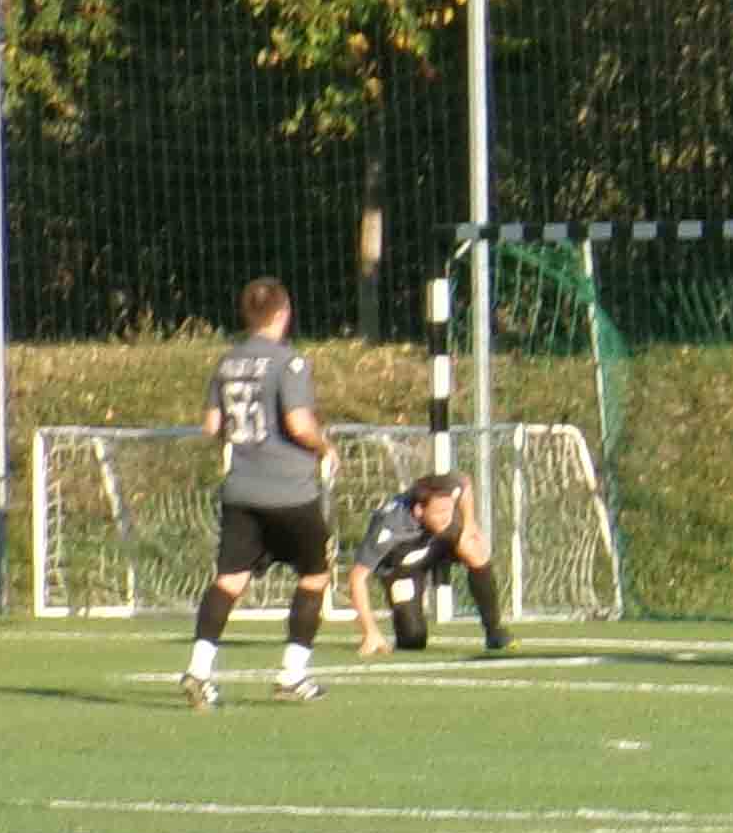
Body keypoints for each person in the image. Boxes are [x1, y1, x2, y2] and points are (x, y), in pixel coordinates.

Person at [186, 276, 331, 708]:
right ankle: (292, 675)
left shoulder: (227, 362)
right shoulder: (290, 362)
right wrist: (325, 446)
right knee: (315, 575)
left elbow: (212, 426)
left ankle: (198, 670)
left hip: (241, 490)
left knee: (229, 580)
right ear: (284, 312)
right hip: (290, 490)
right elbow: (300, 424)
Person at [344, 468, 510, 660]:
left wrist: (469, 525)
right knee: (413, 639)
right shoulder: (388, 527)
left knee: (472, 546)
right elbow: (357, 578)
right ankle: (406, 626)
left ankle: (494, 630)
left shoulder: (446, 491)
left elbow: (464, 483)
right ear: (419, 510)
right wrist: (370, 631)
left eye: (449, 509)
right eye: (439, 512)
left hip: (436, 544)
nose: (447, 517)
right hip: (403, 565)